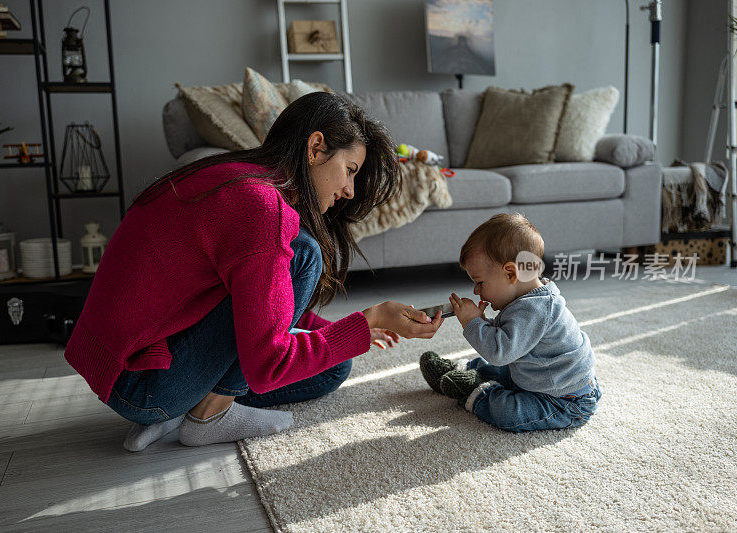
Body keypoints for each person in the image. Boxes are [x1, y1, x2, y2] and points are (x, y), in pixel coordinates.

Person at [64, 91, 445, 452]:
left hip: (124, 368)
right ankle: (208, 416)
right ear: (315, 149)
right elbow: (267, 367)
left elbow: (250, 295)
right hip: (143, 384)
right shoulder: (263, 208)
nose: (348, 190)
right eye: (349, 170)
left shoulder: (233, 175)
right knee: (305, 255)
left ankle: (182, 408)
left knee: (335, 365)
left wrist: (338, 331)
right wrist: (372, 316)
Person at [419, 213, 601, 432]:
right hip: (533, 375)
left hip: (563, 400)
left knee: (509, 413)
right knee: (505, 370)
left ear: (510, 273)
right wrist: (486, 323)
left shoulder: (537, 308)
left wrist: (472, 322)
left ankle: (474, 391)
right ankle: (462, 368)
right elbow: (509, 335)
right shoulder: (527, 299)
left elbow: (499, 352)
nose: (476, 291)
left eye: (479, 282)